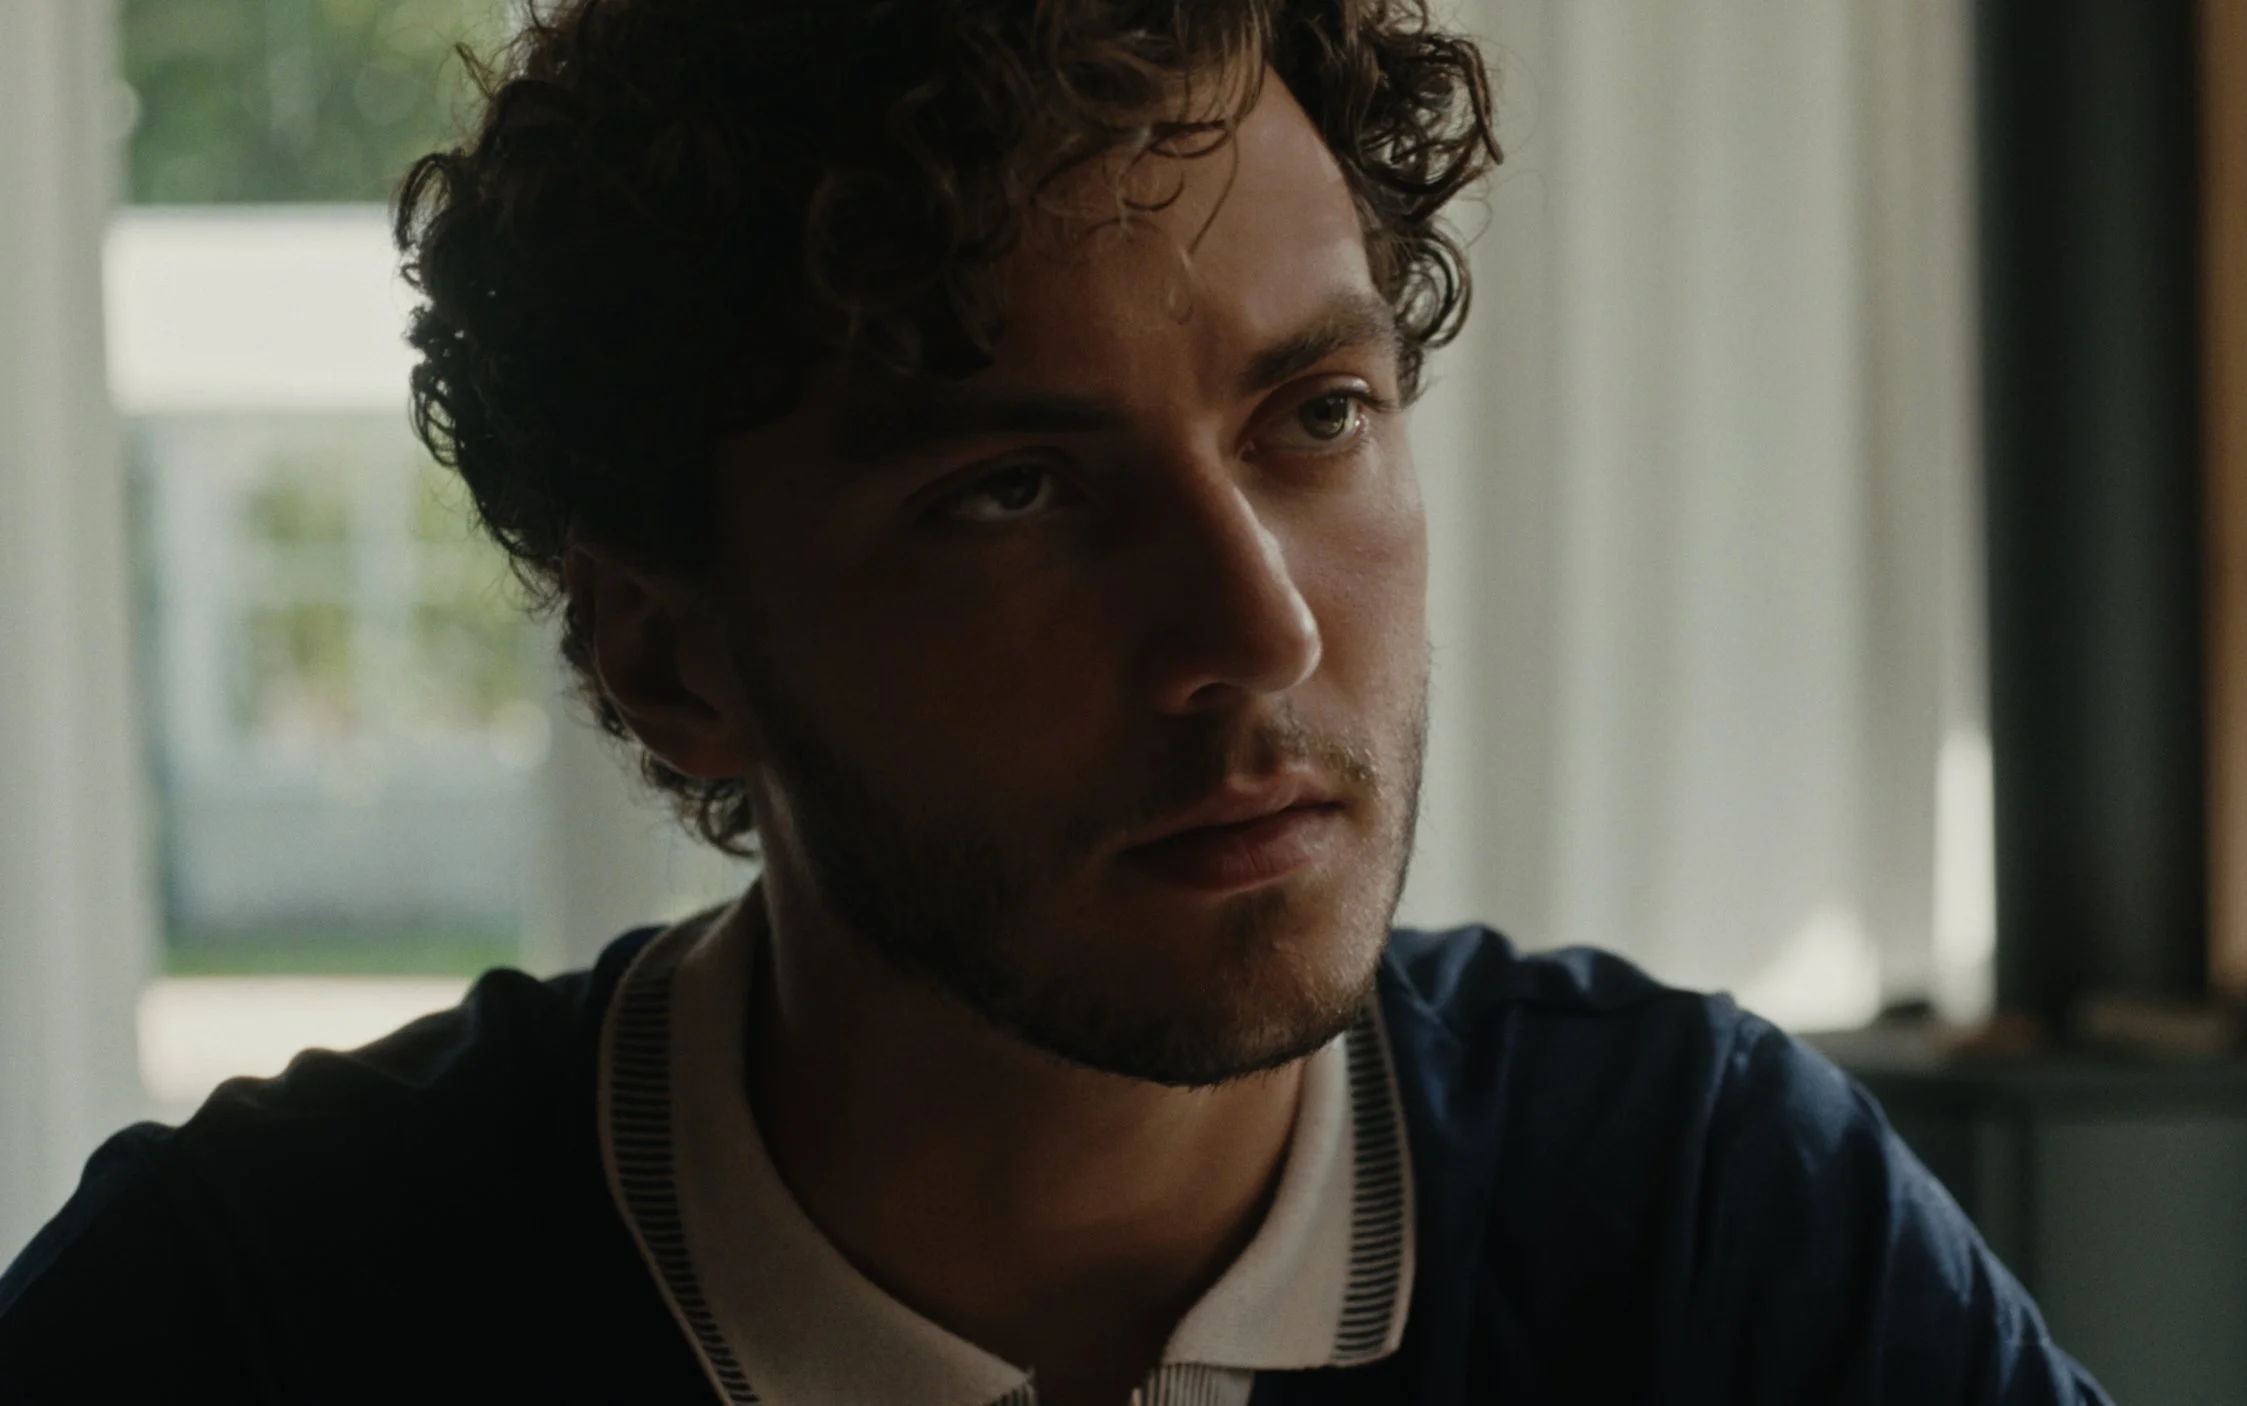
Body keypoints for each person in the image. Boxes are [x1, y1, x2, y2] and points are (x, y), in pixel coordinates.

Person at [0, 2, 2108, 1402]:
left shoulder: (1698, 1218)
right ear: (672, 659)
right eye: (1012, 491)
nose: (1259, 631)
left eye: (1314, 414)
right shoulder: (256, 1322)